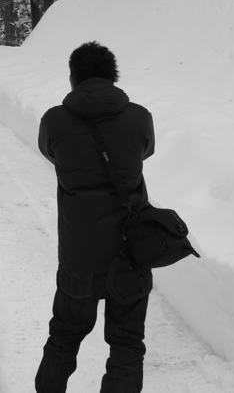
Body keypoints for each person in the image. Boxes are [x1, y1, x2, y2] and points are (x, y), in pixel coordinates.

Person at [35, 41, 156, 393]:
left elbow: (49, 152)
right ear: (113, 75)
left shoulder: (54, 120)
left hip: (78, 255)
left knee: (64, 337)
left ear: (73, 77)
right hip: (130, 252)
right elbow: (145, 150)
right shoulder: (139, 117)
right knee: (128, 344)